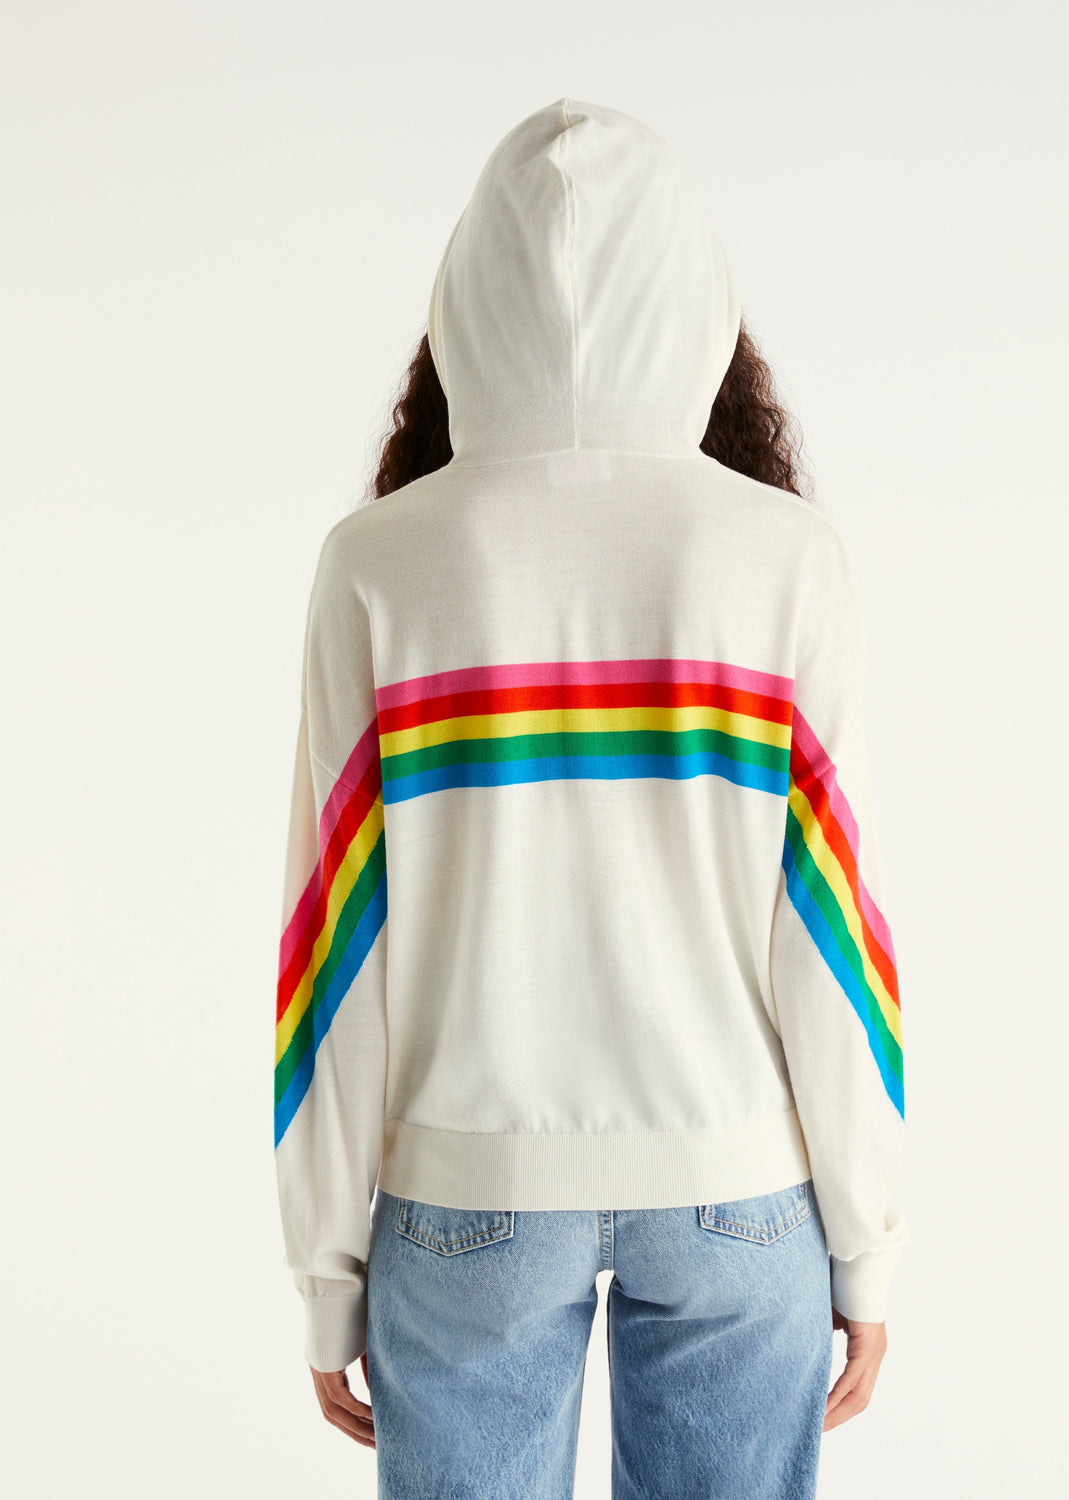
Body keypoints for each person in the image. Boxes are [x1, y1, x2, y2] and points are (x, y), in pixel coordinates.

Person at [273, 95, 908, 1499]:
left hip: (467, 1195)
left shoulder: (378, 561)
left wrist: (327, 1274)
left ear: (464, 303)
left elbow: (331, 944)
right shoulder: (786, 555)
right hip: (740, 1193)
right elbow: (833, 934)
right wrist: (866, 1241)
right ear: (698, 303)